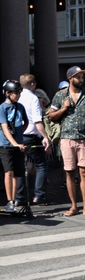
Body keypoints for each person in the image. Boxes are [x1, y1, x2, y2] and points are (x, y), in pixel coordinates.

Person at [49, 66, 85, 217]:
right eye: (78, 77)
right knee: (70, 172)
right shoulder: (60, 95)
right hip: (67, 138)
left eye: (82, 77)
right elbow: (51, 116)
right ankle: (73, 206)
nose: (81, 80)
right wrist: (63, 109)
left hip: (84, 138)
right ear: (70, 79)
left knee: (84, 172)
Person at [15, 74, 52, 207]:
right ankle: (39, 195)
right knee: (42, 164)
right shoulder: (33, 98)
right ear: (32, 84)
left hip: (18, 136)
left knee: (20, 167)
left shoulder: (16, 96)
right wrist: (45, 137)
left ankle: (19, 198)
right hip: (31, 136)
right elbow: (37, 120)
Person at [0, 80, 28, 212]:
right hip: (5, 145)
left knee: (17, 173)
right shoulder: (2, 108)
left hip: (18, 144)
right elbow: (5, 128)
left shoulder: (20, 107)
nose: (18, 95)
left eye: (19, 93)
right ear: (7, 93)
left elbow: (26, 122)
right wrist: (15, 143)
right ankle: (9, 201)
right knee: (9, 172)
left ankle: (15, 200)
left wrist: (19, 135)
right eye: (16, 93)